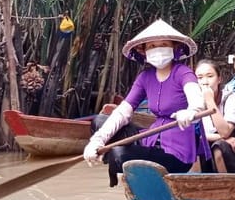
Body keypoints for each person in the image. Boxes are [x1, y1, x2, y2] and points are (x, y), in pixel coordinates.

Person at [83, 19, 208, 187]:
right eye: (151, 46)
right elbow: (123, 112)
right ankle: (108, 157)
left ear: (174, 47)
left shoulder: (183, 73)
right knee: (99, 121)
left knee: (119, 153)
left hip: (177, 152)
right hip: (149, 141)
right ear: (143, 51)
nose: (157, 50)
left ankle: (116, 161)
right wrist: (97, 141)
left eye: (163, 44)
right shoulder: (145, 77)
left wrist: (191, 111)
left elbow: (196, 98)